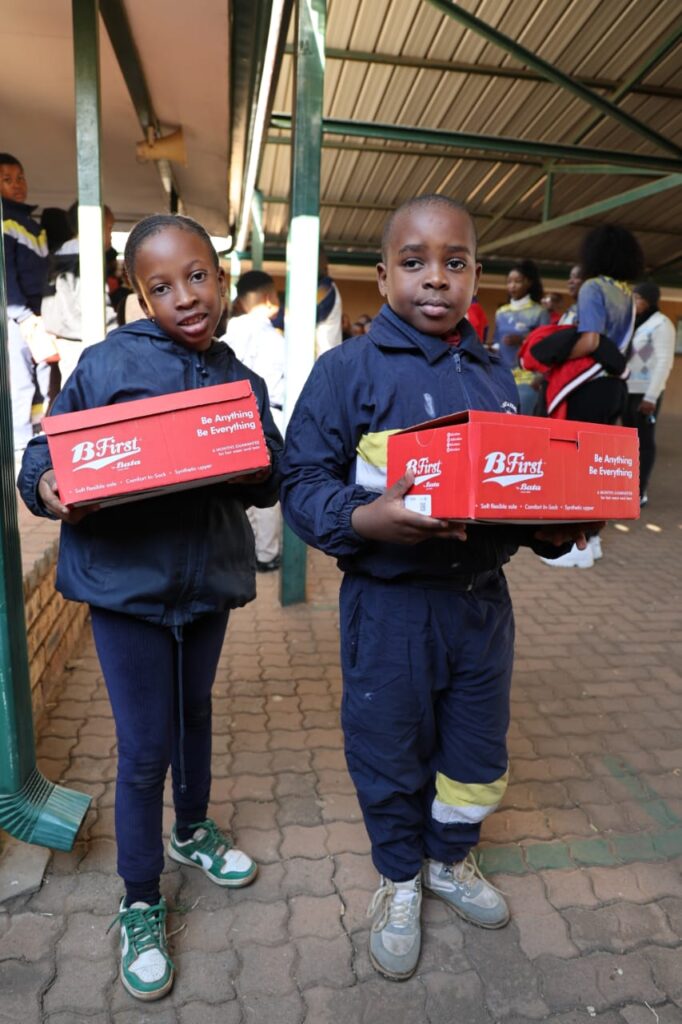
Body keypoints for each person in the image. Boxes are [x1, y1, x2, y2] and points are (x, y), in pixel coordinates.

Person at [279, 194, 596, 981]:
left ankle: (451, 860)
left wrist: (550, 532)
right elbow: (300, 482)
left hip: (482, 606)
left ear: (476, 276)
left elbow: (515, 493)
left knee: (476, 751)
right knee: (389, 748)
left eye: (454, 263)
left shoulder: (496, 377)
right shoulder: (345, 371)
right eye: (414, 262)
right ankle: (399, 876)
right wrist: (365, 519)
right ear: (383, 273)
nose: (435, 279)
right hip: (389, 610)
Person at [18, 213, 282, 1002]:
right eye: (161, 286)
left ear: (222, 279)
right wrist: (49, 489)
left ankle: (192, 829)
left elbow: (269, 472)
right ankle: (139, 899)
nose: (186, 298)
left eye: (198, 276)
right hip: (125, 588)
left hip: (206, 582)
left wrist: (251, 471)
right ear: (138, 295)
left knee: (194, 712)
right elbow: (44, 454)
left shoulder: (241, 379)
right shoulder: (106, 365)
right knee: (143, 748)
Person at [530, 225, 642, 568]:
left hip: (587, 386)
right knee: (597, 468)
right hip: (613, 388)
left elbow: (590, 340)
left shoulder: (594, 287)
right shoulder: (627, 294)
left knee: (574, 465)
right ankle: (591, 542)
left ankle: (572, 545)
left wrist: (553, 356)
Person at [224, 269, 285, 571]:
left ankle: (241, 550)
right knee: (266, 486)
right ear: (267, 298)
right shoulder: (272, 337)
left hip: (230, 418)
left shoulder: (227, 334)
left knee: (237, 484)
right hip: (269, 411)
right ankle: (266, 554)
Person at [1, 152, 58, 459]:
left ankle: (39, 441)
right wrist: (22, 316)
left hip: (39, 316)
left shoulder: (31, 225)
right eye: (7, 179)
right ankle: (21, 448)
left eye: (20, 177)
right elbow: (5, 275)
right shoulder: (4, 223)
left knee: (44, 377)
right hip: (16, 317)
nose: (17, 184)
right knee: (21, 383)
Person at [41, 201, 118, 387]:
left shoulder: (59, 255)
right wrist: (117, 331)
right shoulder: (86, 258)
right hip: (84, 338)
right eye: (109, 228)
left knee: (73, 388)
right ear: (93, 225)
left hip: (66, 336)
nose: (110, 235)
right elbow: (97, 307)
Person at [622, 281, 675, 507]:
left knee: (643, 442)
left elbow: (664, 361)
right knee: (627, 442)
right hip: (626, 388)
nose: (634, 302)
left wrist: (651, 397)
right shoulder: (635, 323)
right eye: (632, 298)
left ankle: (639, 490)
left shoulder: (661, 324)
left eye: (638, 298)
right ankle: (625, 487)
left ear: (650, 300)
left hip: (645, 393)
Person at [492, 260, 551, 414]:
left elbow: (545, 345)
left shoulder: (539, 312)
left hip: (528, 378)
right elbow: (497, 343)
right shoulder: (501, 312)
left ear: (529, 283)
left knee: (522, 420)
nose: (512, 286)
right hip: (503, 377)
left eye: (517, 281)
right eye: (509, 282)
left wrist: (523, 339)